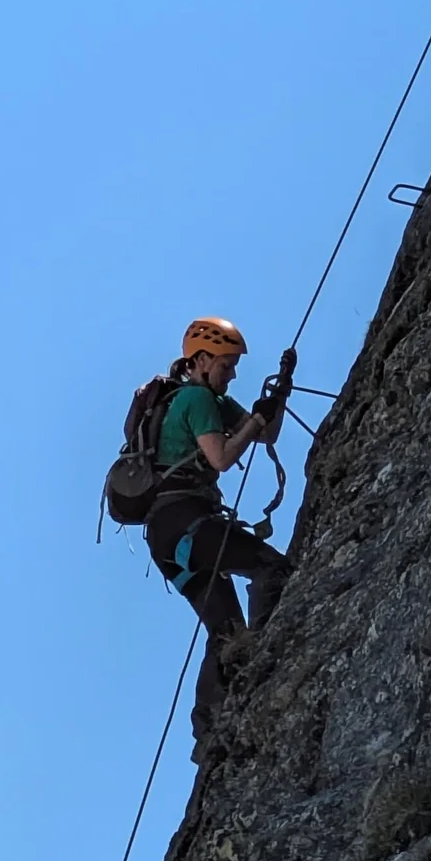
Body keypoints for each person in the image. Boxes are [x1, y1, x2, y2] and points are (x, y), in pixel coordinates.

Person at [143, 316, 291, 744]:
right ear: (201, 361)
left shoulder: (211, 399)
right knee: (272, 569)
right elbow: (221, 458)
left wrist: (278, 392)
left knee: (225, 630)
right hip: (187, 520)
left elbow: (266, 434)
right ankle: (272, 648)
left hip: (168, 536)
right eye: (226, 366)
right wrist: (254, 424)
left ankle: (207, 729)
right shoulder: (195, 399)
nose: (232, 374)